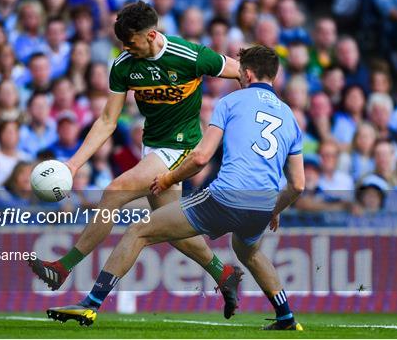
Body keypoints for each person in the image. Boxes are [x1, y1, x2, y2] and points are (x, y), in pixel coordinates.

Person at [46, 45, 304, 331]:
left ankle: (90, 304)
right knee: (249, 252)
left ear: (249, 73)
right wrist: (274, 209)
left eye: (240, 71)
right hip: (262, 203)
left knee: (138, 231)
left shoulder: (231, 102)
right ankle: (286, 317)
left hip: (225, 198)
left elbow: (201, 157)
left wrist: (168, 179)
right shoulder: (291, 117)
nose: (238, 76)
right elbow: (298, 184)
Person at [28, 0, 243, 318]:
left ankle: (63, 267)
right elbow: (106, 120)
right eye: (121, 43)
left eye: (131, 42)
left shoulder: (191, 55)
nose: (125, 48)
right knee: (169, 230)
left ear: (152, 35)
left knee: (114, 191)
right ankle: (224, 274)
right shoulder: (124, 65)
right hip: (153, 147)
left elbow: (243, 73)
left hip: (181, 148)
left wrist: (241, 122)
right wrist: (73, 164)